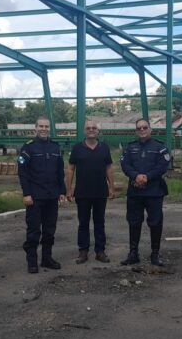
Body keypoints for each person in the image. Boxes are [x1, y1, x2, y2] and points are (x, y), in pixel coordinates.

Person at [17, 116, 67, 274]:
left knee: (49, 230)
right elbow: (23, 173)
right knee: (33, 231)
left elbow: (60, 172)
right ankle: (32, 261)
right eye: (41, 126)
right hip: (35, 197)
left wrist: (62, 192)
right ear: (35, 128)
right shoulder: (28, 148)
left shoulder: (55, 147)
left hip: (52, 196)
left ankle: (47, 258)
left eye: (46, 126)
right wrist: (26, 194)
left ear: (49, 128)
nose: (44, 129)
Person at [120, 118, 170, 266]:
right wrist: (136, 176)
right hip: (135, 191)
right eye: (139, 128)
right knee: (134, 222)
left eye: (144, 127)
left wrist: (146, 177)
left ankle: (155, 254)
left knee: (155, 223)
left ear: (150, 129)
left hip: (154, 191)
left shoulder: (160, 147)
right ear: (136, 131)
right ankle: (133, 253)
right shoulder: (130, 147)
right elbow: (125, 165)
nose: (142, 130)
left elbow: (162, 166)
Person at [67, 120, 116, 264]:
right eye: (88, 128)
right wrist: (69, 189)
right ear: (84, 131)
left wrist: (111, 188)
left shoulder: (104, 148)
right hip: (82, 193)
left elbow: (109, 168)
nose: (91, 130)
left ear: (98, 131)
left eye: (94, 128)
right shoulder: (77, 148)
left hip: (100, 192)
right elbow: (70, 169)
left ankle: (100, 251)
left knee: (100, 222)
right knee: (83, 223)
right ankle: (83, 251)